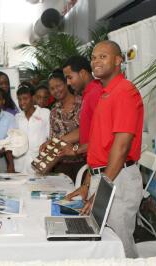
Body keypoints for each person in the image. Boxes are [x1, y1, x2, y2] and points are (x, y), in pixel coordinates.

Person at [82, 40, 144, 258]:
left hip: (118, 179)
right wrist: (93, 181)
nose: (96, 61)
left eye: (103, 56)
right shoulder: (106, 93)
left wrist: (102, 188)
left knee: (121, 248)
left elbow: (122, 145)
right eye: (93, 57)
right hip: (106, 177)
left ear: (118, 60)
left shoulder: (125, 91)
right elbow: (101, 144)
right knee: (104, 249)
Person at [58, 56, 104, 200]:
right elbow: (85, 130)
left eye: (70, 77)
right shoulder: (88, 94)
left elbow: (102, 138)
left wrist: (76, 150)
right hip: (93, 165)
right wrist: (58, 141)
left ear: (83, 73)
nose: (68, 83)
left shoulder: (95, 94)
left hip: (101, 166)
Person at [43, 69, 85, 181]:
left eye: (58, 85)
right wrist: (44, 164)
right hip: (61, 166)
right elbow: (54, 142)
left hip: (83, 165)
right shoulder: (54, 112)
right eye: (52, 89)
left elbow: (88, 132)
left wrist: (57, 141)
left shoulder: (83, 104)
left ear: (66, 83)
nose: (56, 90)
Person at [14, 83, 50, 174]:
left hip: (39, 164)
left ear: (33, 98)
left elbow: (50, 138)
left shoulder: (45, 113)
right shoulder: (17, 117)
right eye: (19, 99)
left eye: (25, 98)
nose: (22, 102)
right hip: (20, 165)